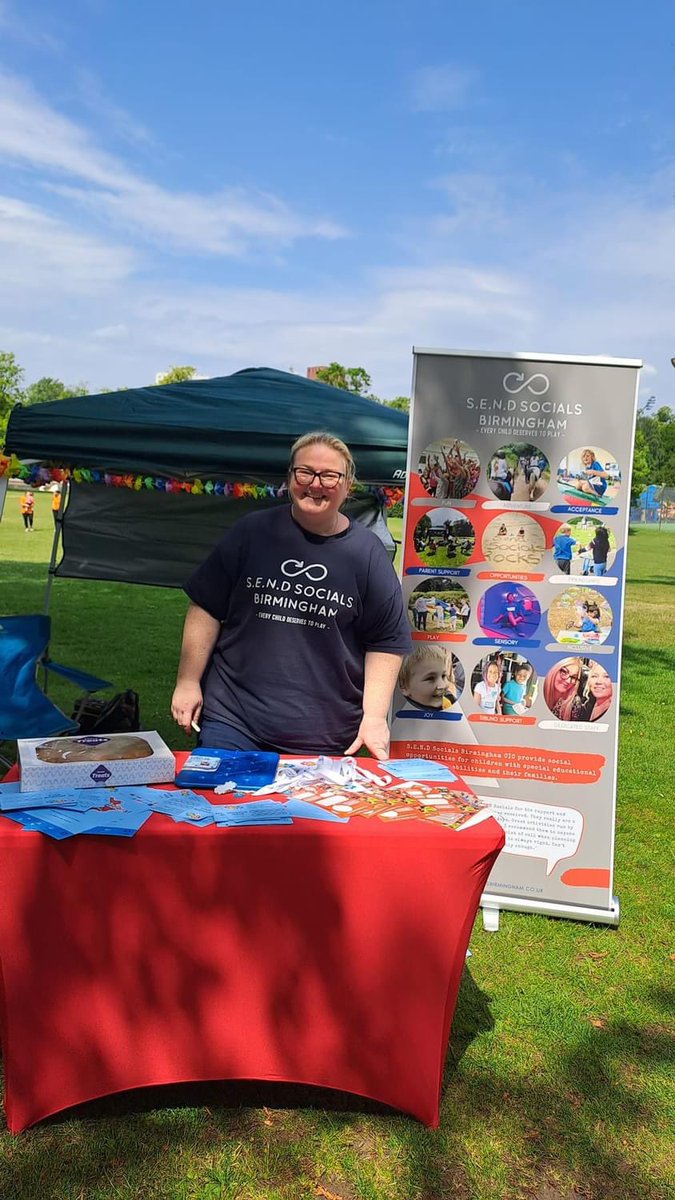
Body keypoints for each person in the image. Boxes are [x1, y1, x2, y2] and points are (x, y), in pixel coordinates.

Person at [171, 431, 412, 759]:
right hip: (234, 721)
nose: (316, 484)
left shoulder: (366, 554)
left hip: (325, 734)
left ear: (348, 485)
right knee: (222, 809)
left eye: (329, 475)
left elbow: (385, 642)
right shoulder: (252, 532)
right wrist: (188, 682)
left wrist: (373, 717)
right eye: (305, 472)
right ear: (290, 477)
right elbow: (206, 606)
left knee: (307, 814)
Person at [398, 645, 458, 711]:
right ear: (404, 686)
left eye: (443, 676)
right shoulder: (403, 713)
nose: (442, 686)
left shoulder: (450, 702)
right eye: (430, 678)